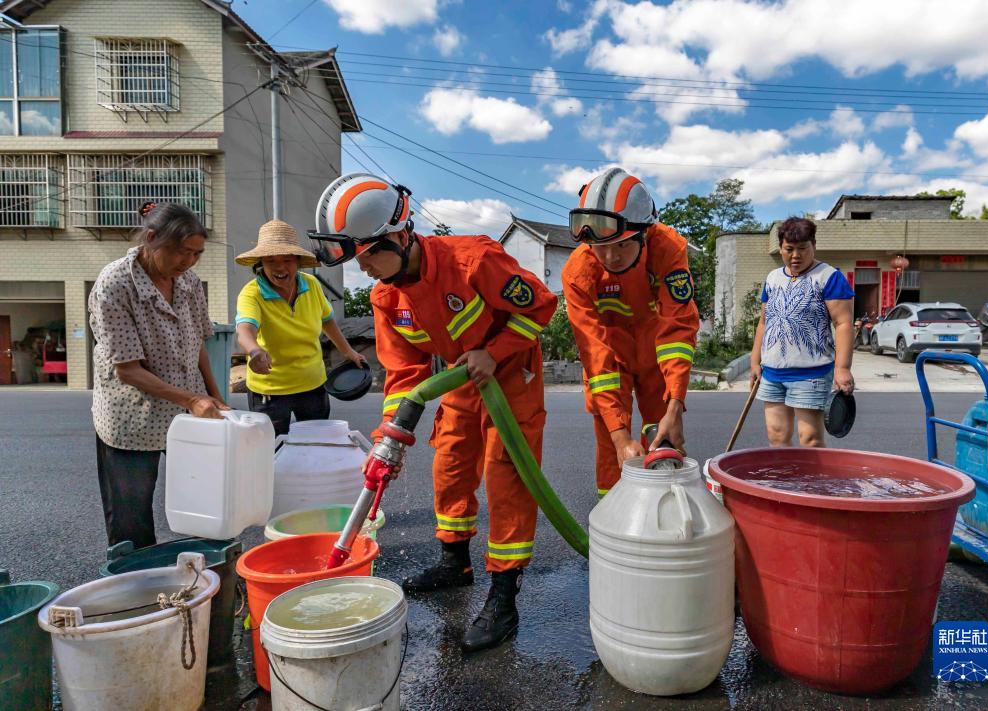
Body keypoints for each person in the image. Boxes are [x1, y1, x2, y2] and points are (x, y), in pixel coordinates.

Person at [308, 172, 557, 652]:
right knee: (450, 465)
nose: (365, 269)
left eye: (368, 255)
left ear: (400, 236)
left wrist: (495, 351)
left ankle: (504, 597)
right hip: (461, 378)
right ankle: (454, 563)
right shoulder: (387, 297)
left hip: (511, 376)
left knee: (507, 477)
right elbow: (405, 373)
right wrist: (388, 439)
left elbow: (541, 307)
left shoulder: (474, 261)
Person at [89, 202, 228, 548]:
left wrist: (215, 396)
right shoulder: (115, 283)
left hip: (189, 412)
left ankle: (203, 571)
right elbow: (128, 370)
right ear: (151, 239)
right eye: (182, 252)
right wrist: (193, 399)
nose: (189, 262)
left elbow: (197, 344)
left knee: (206, 502)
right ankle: (134, 578)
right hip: (132, 418)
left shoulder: (189, 282)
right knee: (131, 517)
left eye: (197, 254)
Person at [561, 167, 700, 496]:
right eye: (599, 246)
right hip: (611, 358)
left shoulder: (667, 248)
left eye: (622, 245)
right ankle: (612, 513)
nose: (610, 256)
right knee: (612, 444)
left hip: (657, 356)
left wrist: (675, 405)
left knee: (663, 441)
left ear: (644, 233)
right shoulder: (578, 273)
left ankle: (665, 510)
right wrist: (620, 437)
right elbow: (595, 354)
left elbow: (677, 328)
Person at [234, 219, 366, 436]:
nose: (279, 267)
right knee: (272, 448)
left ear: (297, 261)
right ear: (261, 263)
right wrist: (254, 351)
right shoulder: (252, 293)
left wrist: (348, 351)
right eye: (271, 260)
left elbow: (327, 320)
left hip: (313, 384)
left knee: (316, 443)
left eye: (287, 260)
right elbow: (245, 329)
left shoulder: (312, 285)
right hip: (270, 389)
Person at [750, 217, 855, 447]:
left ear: (814, 245)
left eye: (802, 248)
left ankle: (814, 474)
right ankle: (785, 473)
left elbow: (843, 323)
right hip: (772, 373)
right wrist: (755, 361)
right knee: (777, 437)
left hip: (811, 373)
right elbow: (764, 322)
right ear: (780, 248)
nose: (795, 255)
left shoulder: (829, 277)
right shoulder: (773, 278)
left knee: (810, 439)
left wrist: (842, 368)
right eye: (789, 249)